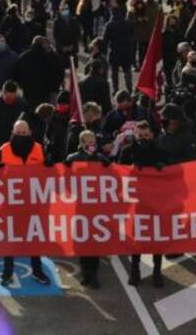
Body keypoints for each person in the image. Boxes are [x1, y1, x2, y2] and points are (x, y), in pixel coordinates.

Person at [0, 119, 50, 287]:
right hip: (11, 205)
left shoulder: (40, 149)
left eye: (24, 133)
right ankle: (7, 272)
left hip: (33, 204)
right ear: (13, 133)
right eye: (18, 133)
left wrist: (50, 165)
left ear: (30, 133)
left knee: (34, 239)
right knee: (10, 239)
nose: (21, 136)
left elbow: (50, 174)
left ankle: (37, 271)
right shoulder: (4, 150)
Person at [120, 121, 167, 286]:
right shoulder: (127, 151)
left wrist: (162, 168)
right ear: (135, 135)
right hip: (135, 203)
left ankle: (157, 272)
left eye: (146, 136)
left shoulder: (160, 152)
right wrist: (131, 168)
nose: (143, 139)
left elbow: (172, 174)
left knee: (157, 238)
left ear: (152, 135)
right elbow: (119, 172)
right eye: (140, 136)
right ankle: (135, 271)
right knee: (136, 238)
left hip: (156, 202)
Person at [65, 129, 109, 287]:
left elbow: (113, 176)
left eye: (94, 142)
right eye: (89, 142)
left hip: (96, 207)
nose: (92, 145)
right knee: (83, 241)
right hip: (80, 207)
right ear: (82, 143)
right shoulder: (73, 159)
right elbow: (65, 181)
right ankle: (86, 273)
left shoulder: (100, 159)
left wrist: (107, 165)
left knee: (95, 242)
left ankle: (94, 274)